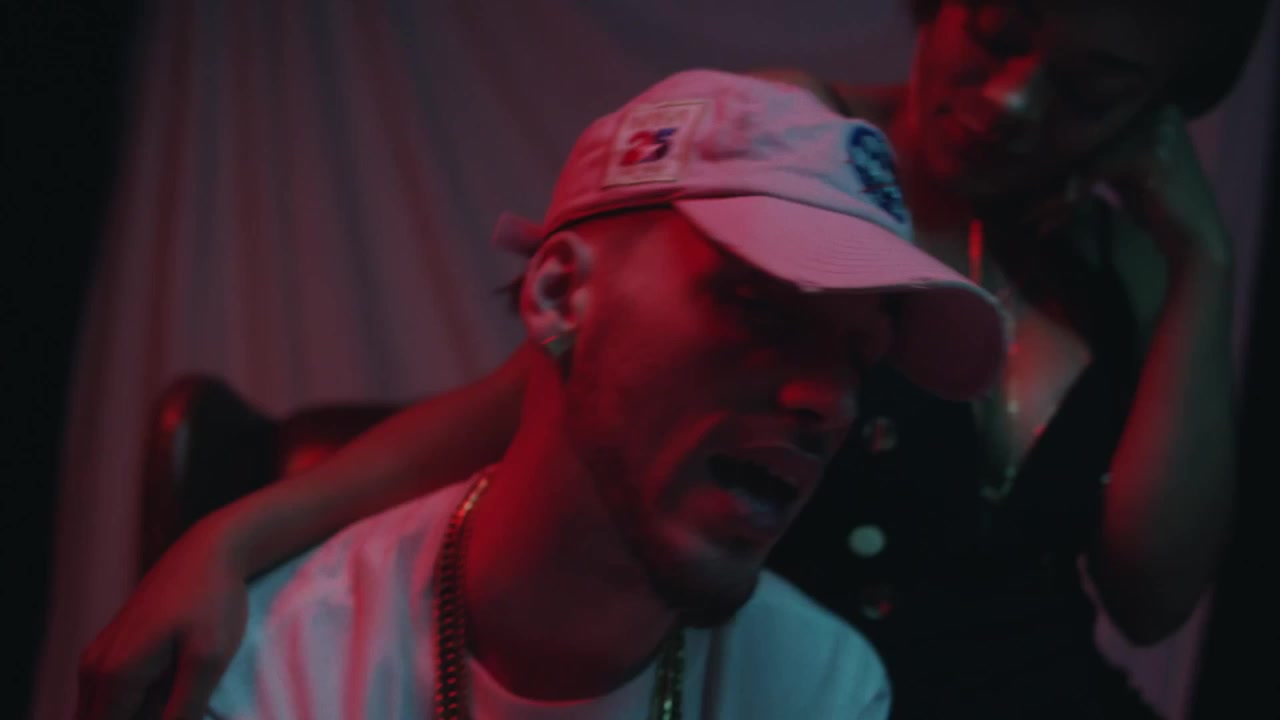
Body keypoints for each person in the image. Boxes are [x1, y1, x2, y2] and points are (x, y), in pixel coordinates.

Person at [77, 0, 1269, 718]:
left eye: (1093, 86)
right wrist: (229, 539)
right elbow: (533, 396)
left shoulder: (1121, 266)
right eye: (996, 30)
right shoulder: (793, 153)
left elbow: (1151, 595)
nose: (1011, 100)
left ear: (1158, 108)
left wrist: (1201, 264)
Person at [122, 70, 1009, 719]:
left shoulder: (821, 689)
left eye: (859, 358)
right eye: (761, 309)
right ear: (558, 295)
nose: (831, 401)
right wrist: (235, 541)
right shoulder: (274, 669)